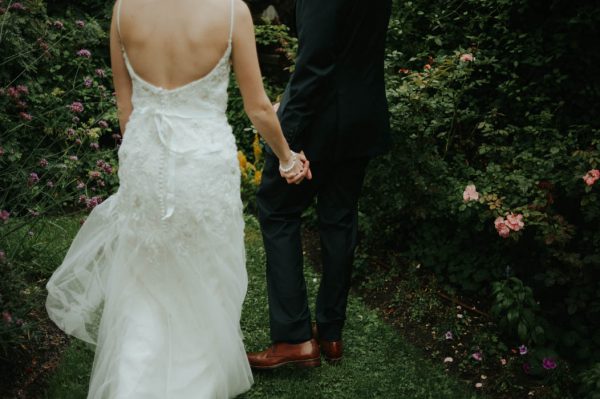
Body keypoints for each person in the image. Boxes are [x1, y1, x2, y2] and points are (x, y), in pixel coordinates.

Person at [45, 0, 309, 397]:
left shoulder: (123, 10)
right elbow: (257, 107)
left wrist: (143, 163)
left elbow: (125, 108)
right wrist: (288, 159)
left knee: (144, 282)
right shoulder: (231, 11)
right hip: (202, 167)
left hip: (145, 160)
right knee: (204, 278)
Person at [248, 0, 392, 369]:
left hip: (321, 122)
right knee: (339, 217)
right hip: (363, 113)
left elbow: (314, 64)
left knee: (277, 209)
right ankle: (330, 333)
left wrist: (287, 139)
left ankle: (294, 338)